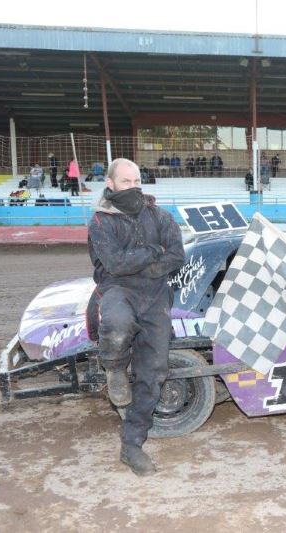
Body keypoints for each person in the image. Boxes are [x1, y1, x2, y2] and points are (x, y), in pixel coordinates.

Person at [86, 158, 184, 475]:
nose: (133, 186)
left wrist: (143, 266)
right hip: (117, 288)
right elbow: (115, 264)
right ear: (111, 184)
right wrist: (153, 251)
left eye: (137, 181)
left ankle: (131, 445)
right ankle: (114, 368)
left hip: (156, 293)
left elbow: (176, 255)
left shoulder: (160, 215)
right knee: (117, 322)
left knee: (154, 372)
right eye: (126, 181)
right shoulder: (100, 220)